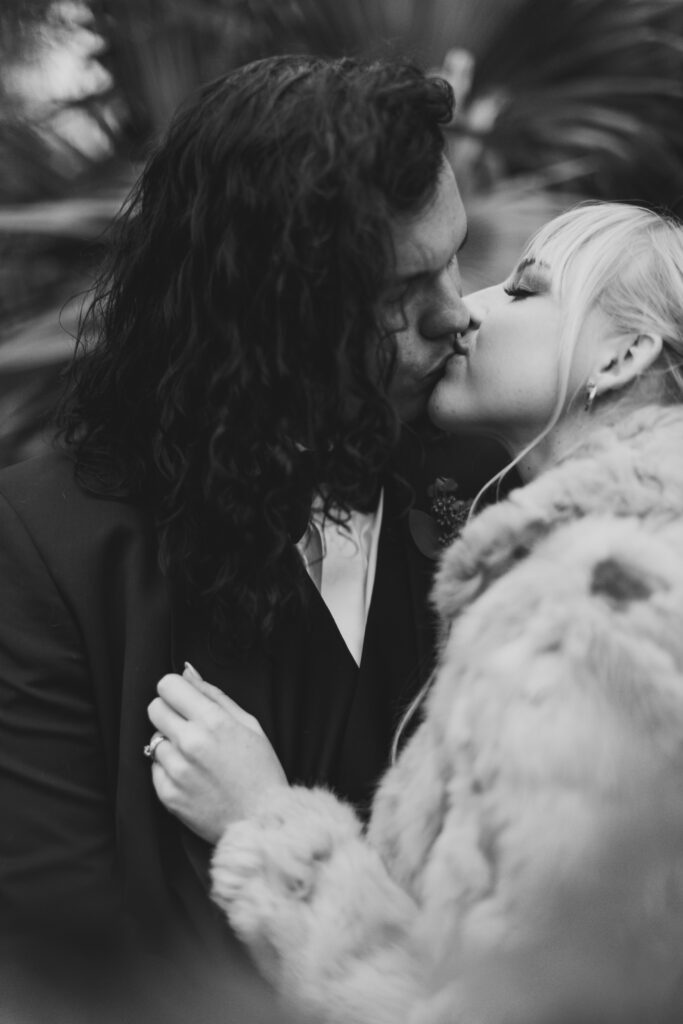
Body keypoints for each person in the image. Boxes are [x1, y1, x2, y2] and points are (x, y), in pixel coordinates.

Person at [0, 52, 506, 1008]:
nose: (455, 315)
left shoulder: (485, 493)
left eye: (456, 261)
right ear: (271, 312)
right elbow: (70, 969)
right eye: (402, 291)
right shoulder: (47, 551)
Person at [151, 201, 683, 1024]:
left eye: (525, 291)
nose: (468, 309)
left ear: (623, 354)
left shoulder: (589, 607)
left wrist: (264, 821)